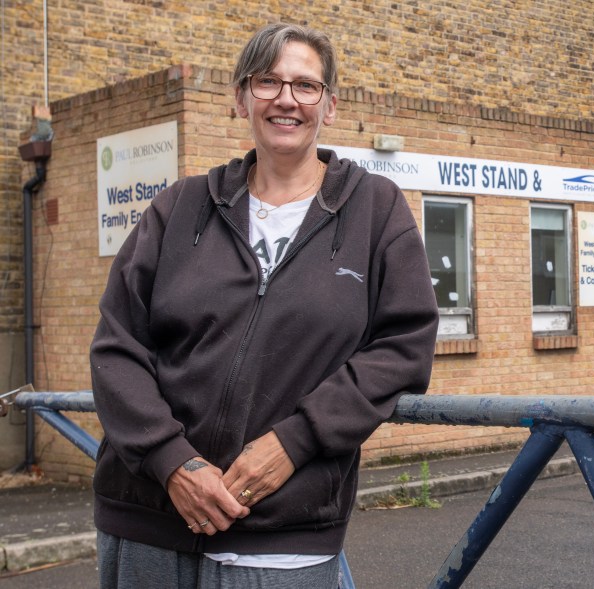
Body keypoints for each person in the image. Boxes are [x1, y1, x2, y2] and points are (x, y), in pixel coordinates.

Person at [90, 23, 439, 588]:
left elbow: (404, 346)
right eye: (267, 81)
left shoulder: (376, 211)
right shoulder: (179, 208)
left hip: (281, 534)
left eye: (305, 86)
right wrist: (173, 462)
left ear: (329, 105)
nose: (285, 99)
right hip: (148, 518)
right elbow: (117, 345)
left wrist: (294, 441)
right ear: (239, 98)